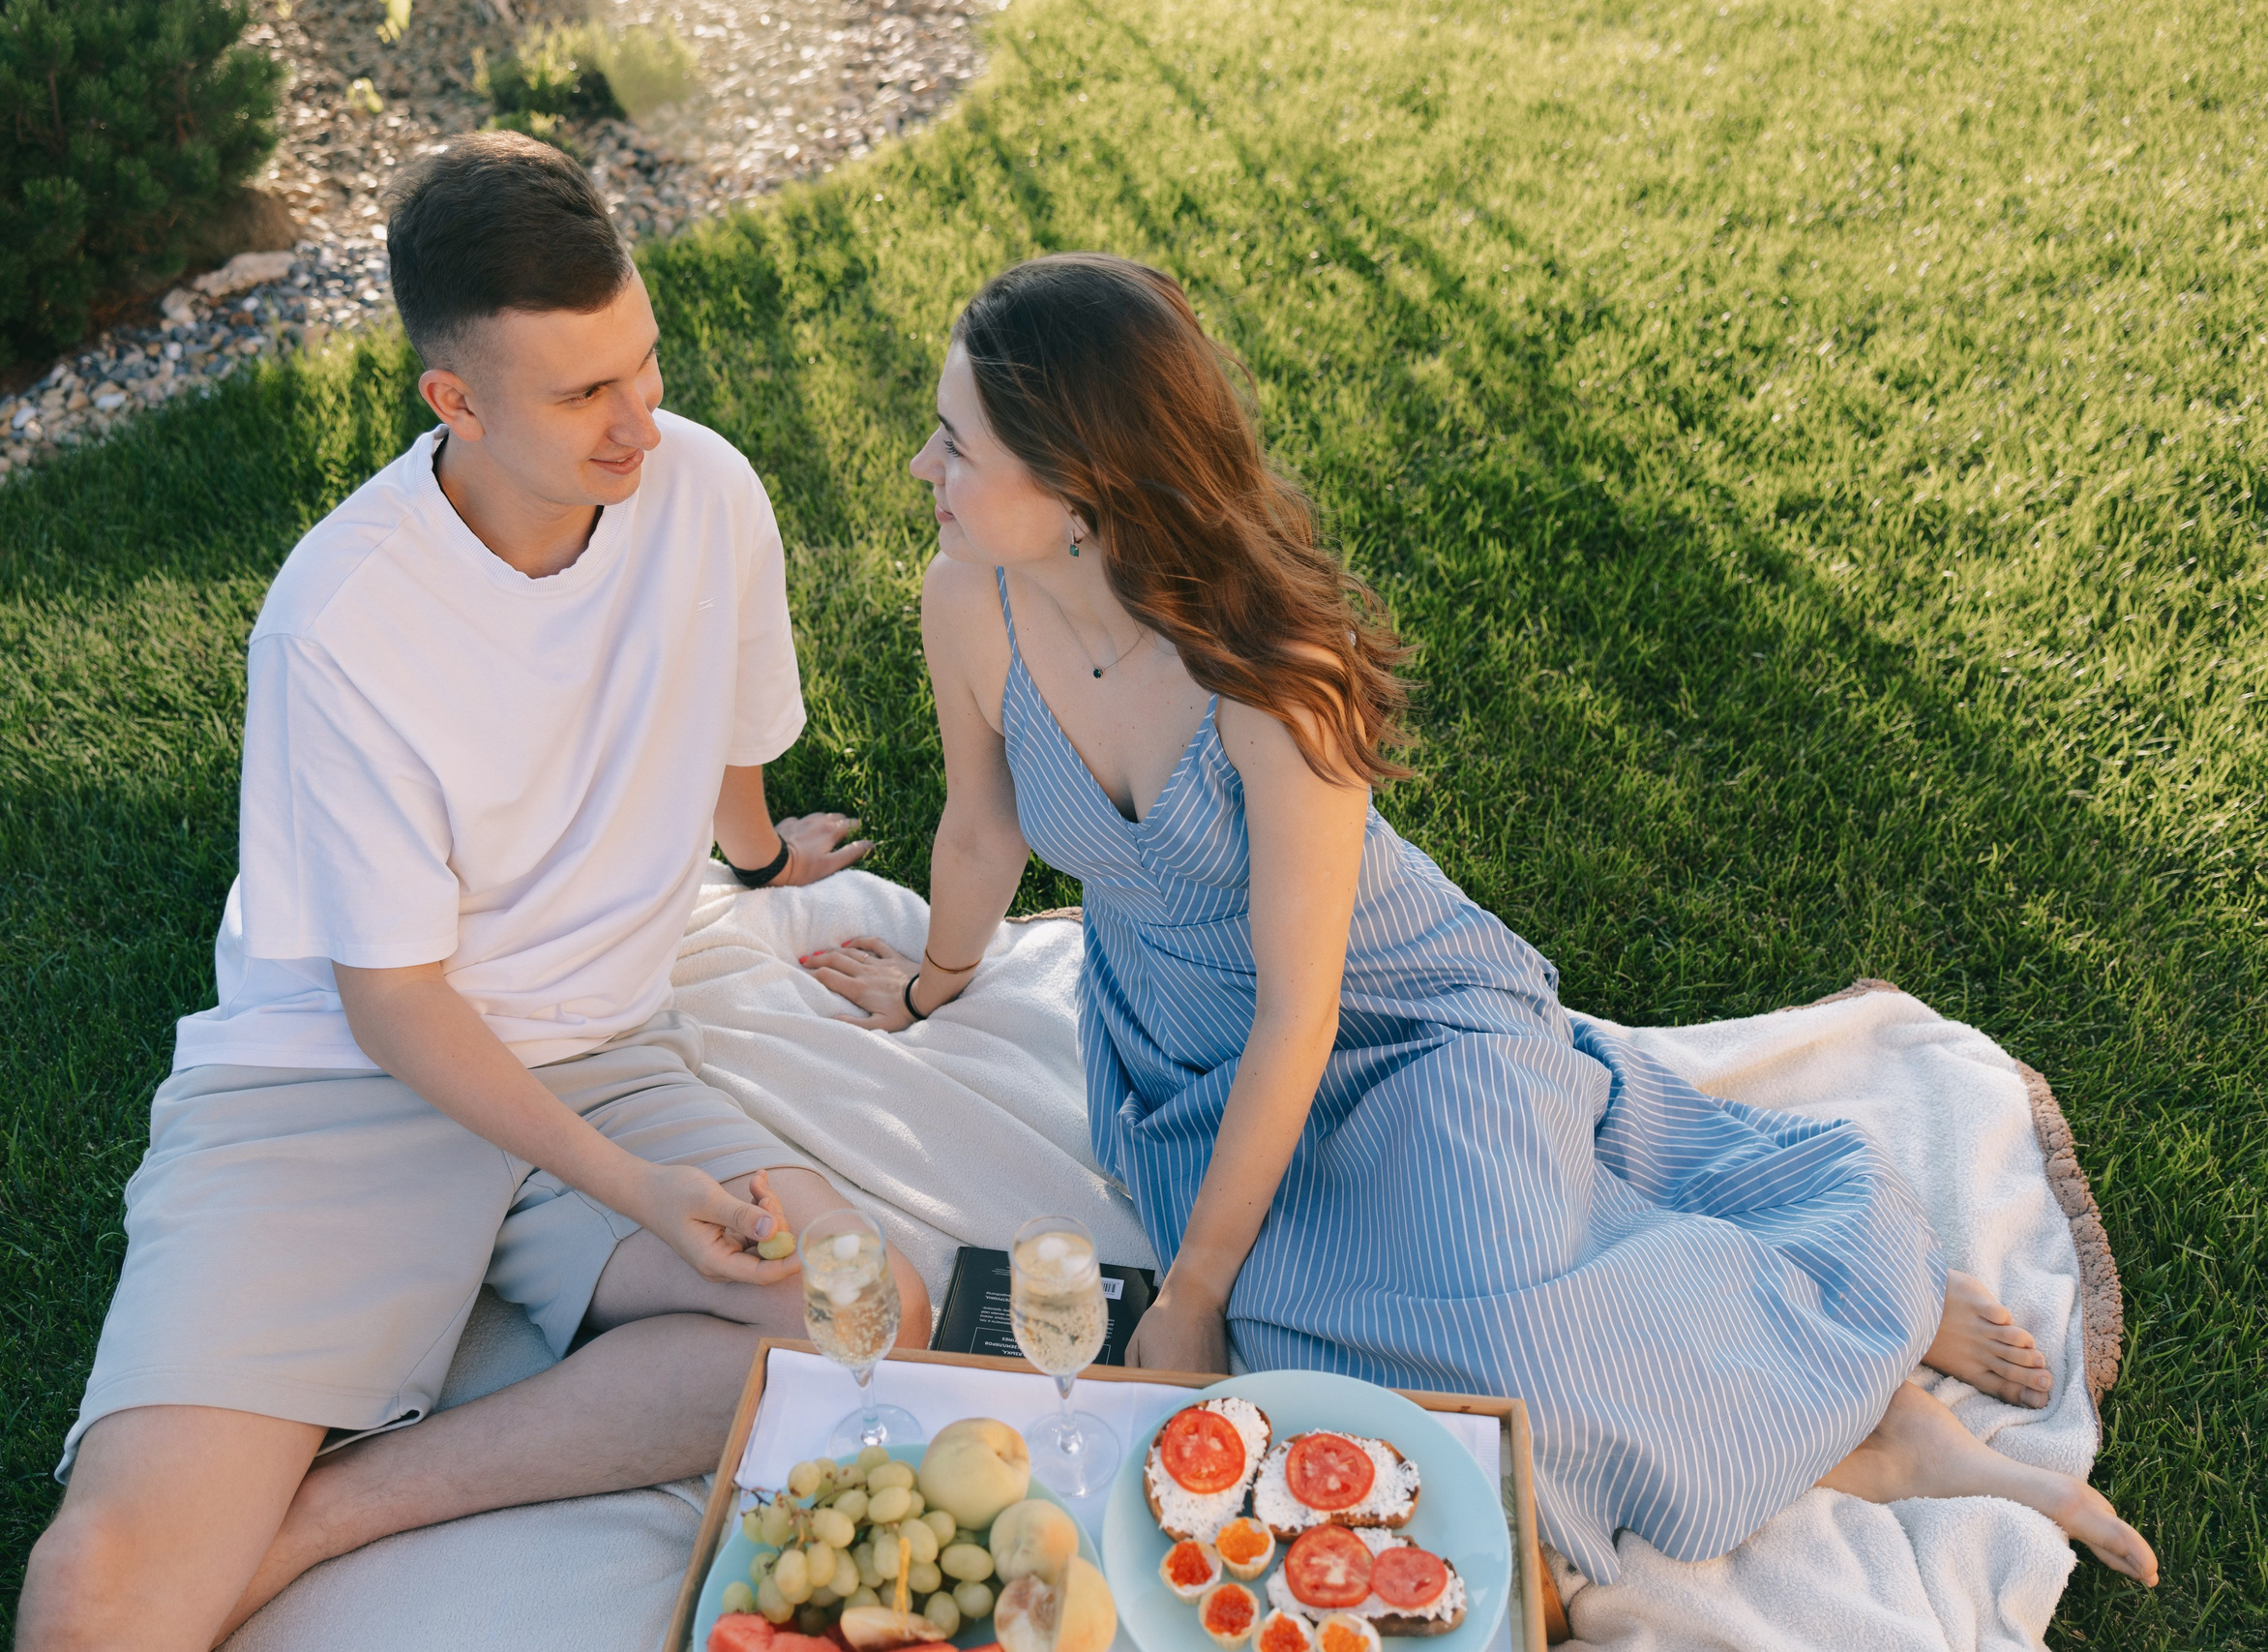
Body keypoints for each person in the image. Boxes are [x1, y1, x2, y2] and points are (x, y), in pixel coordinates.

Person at [801, 252, 2157, 1588]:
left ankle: (1865, 1376)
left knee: (1502, 1325)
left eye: (953, 443)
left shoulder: (1272, 682)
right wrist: (933, 983)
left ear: (1081, 490)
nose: (923, 468)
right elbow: (983, 828)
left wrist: (1194, 1289)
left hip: (1395, 1021)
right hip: (1180, 1060)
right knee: (1343, 1372)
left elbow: (1303, 1012)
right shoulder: (964, 598)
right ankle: (1846, 1417)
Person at [17, 131, 930, 1650]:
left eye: (643, 361)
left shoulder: (703, 488)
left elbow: (723, 727)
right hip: (346, 1083)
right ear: (454, 400)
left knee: (868, 1316)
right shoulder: (340, 622)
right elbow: (393, 1004)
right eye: (583, 394)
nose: (641, 421)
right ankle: (306, 1453)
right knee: (103, 1592)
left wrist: (761, 864)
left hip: (600, 1049)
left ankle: (326, 1514)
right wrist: (638, 1193)